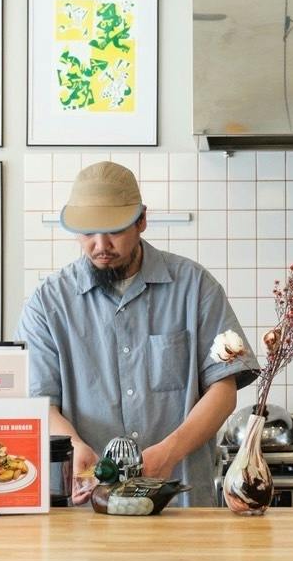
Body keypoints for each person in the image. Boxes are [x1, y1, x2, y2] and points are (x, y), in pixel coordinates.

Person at [17, 161, 258, 506]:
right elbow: (39, 403)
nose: (100, 245)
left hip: (179, 503)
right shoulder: (47, 302)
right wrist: (74, 445)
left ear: (141, 220)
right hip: (86, 510)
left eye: (113, 231)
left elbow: (223, 390)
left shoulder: (195, 287)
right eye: (88, 233)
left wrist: (169, 452)